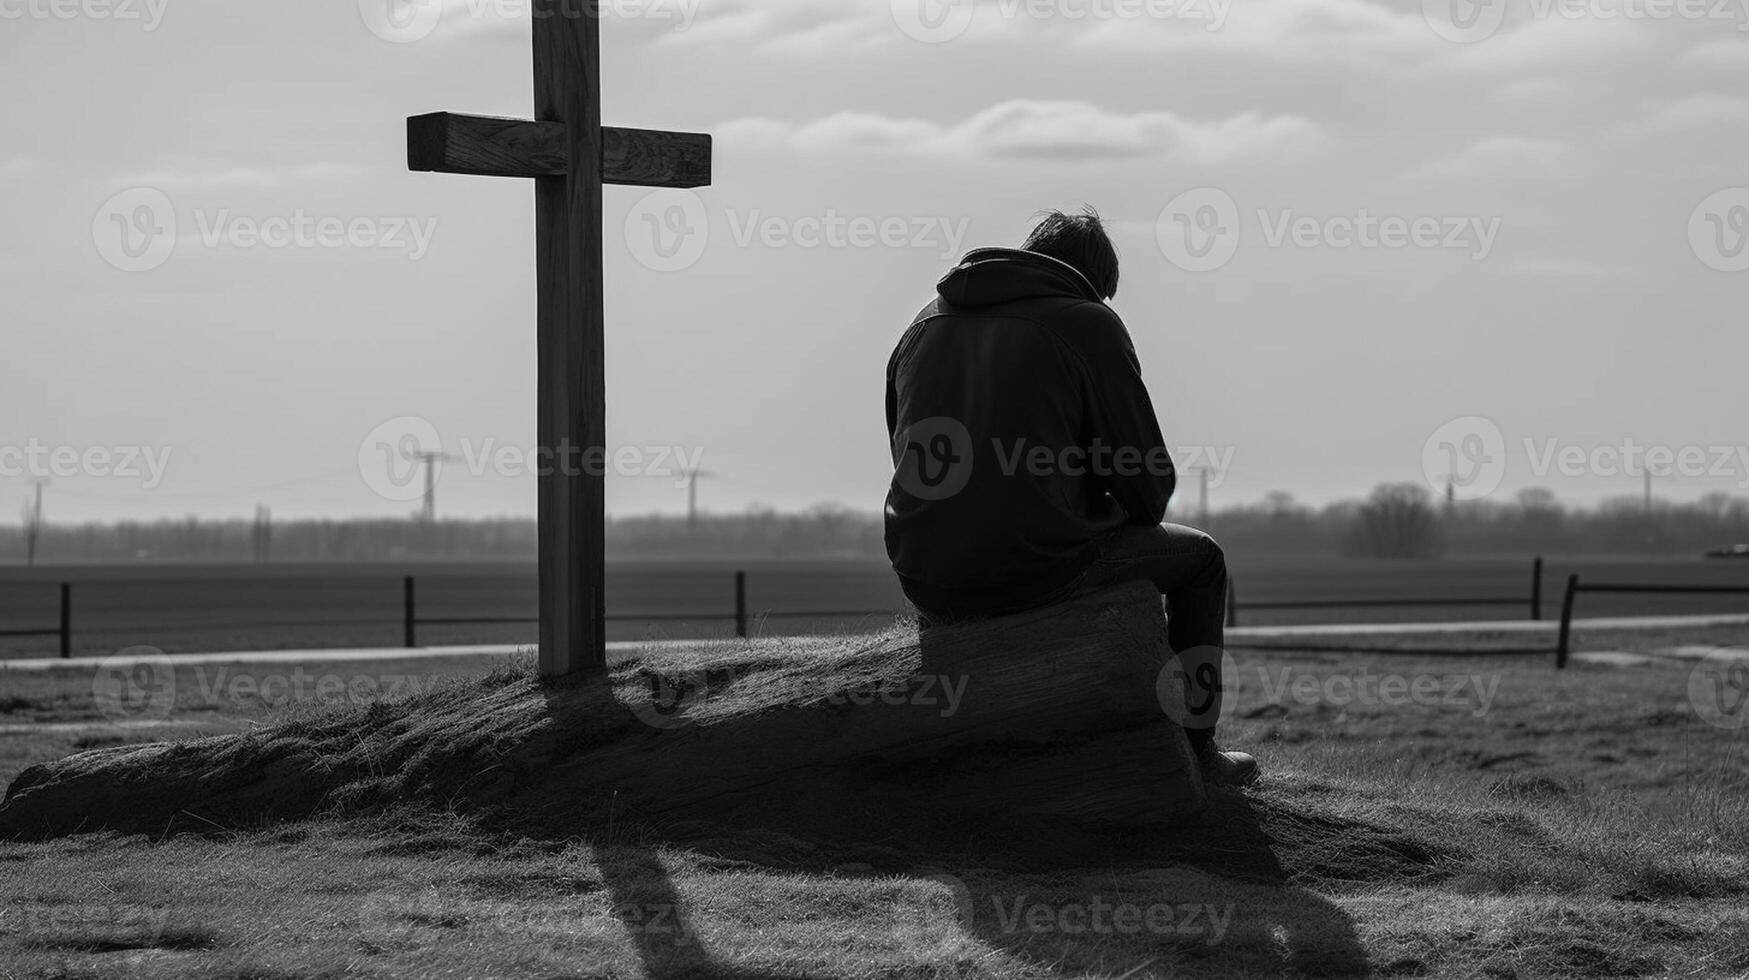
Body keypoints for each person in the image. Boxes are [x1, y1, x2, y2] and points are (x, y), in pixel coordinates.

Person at [883, 207, 1257, 787]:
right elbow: (1147, 486)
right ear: (1094, 284)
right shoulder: (1089, 324)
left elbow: (904, 449)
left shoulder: (922, 321)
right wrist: (1091, 501)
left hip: (923, 571)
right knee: (1203, 562)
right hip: (1034, 565)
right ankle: (1197, 750)